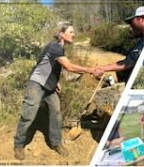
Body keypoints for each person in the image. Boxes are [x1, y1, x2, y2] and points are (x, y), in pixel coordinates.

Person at [13, 22, 99, 160]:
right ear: (61, 34)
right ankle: (18, 144)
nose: (74, 34)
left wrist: (55, 81)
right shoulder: (55, 46)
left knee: (56, 113)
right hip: (36, 83)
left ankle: (56, 143)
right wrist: (90, 70)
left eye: (73, 32)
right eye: (70, 32)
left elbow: (47, 64)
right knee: (29, 115)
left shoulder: (59, 48)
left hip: (49, 86)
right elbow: (69, 67)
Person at [94, 6, 144, 83]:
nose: (130, 26)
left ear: (141, 19)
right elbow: (128, 62)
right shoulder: (142, 41)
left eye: (131, 22)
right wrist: (103, 68)